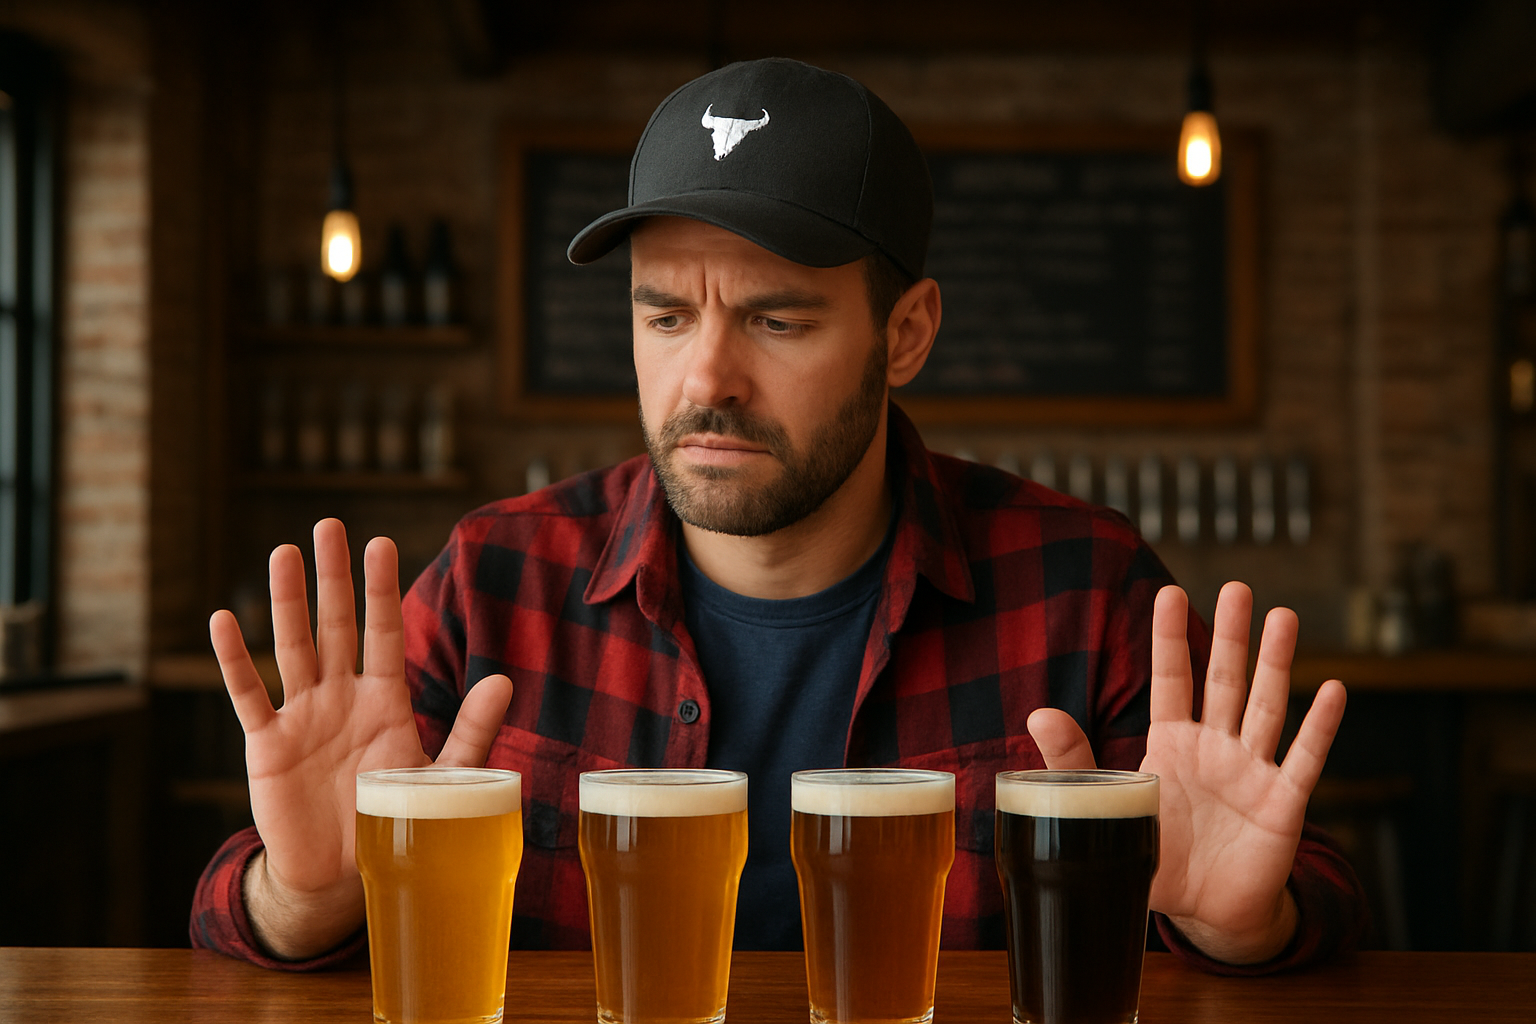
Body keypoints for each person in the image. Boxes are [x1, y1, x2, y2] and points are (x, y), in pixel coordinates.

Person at [192, 58, 1364, 971]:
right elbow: (247, 924)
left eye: (777, 320)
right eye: (663, 316)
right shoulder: (496, 579)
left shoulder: (1086, 590)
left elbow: (1299, 901)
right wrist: (308, 897)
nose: (706, 378)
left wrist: (1233, 927)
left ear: (905, 333)